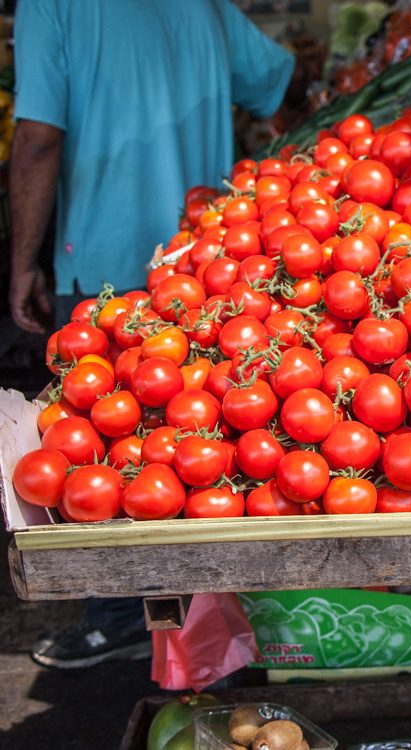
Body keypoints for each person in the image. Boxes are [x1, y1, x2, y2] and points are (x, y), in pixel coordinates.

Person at [11, 0, 294, 668]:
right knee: (205, 456)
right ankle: (207, 634)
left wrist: (22, 259)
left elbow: (39, 136)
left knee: (107, 455)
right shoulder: (206, 4)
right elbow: (274, 80)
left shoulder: (52, 6)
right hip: (201, 265)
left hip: (106, 271)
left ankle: (122, 620)